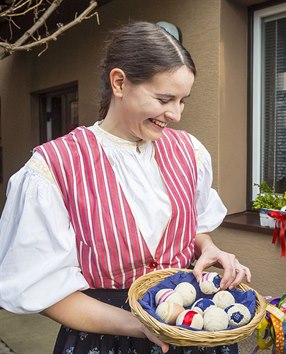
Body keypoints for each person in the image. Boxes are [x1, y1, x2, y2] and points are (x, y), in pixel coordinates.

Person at [0, 21, 251, 353]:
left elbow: (189, 228)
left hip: (189, 327)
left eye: (182, 100)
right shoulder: (53, 168)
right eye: (165, 99)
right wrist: (141, 325)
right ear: (119, 82)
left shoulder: (189, 151)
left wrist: (208, 248)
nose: (175, 113)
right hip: (107, 337)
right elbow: (43, 291)